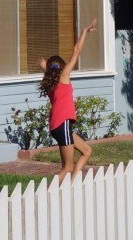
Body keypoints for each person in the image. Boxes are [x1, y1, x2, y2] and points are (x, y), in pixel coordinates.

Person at [38, 18, 97, 182]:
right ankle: (46, 194)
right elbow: (77, 51)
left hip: (59, 125)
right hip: (62, 124)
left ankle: (71, 184)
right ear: (63, 67)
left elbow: (49, 71)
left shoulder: (51, 83)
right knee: (66, 167)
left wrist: (44, 66)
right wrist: (84, 32)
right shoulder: (63, 77)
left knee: (86, 151)